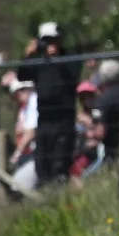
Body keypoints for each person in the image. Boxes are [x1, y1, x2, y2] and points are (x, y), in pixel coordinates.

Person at [17, 22, 80, 186]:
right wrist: (28, 55)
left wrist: (56, 58)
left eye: (54, 40)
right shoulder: (39, 63)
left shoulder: (70, 58)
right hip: (44, 122)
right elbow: (22, 75)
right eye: (47, 40)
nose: (51, 44)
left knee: (59, 167)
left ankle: (60, 199)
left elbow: (73, 75)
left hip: (64, 121)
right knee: (42, 166)